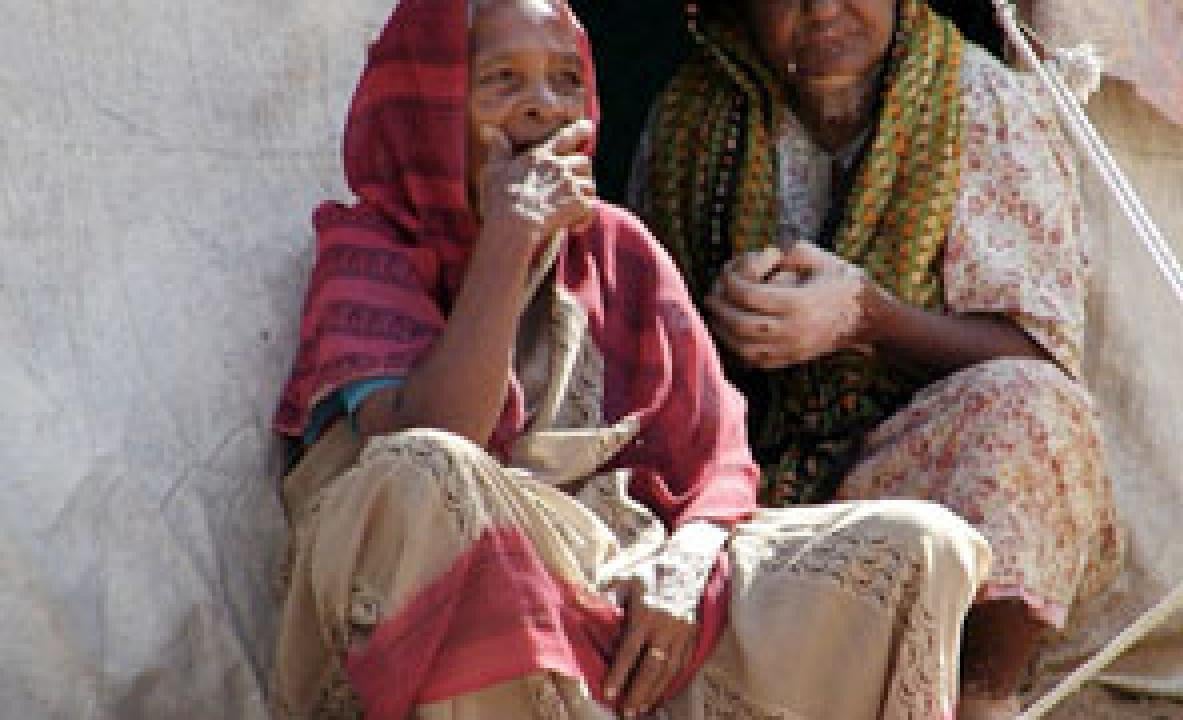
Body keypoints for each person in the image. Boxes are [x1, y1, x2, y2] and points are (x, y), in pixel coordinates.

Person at [269, 1, 990, 719]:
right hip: (476, 583)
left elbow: (716, 460)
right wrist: (507, 244)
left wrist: (684, 566)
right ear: (432, 108)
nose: (543, 107)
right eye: (502, 80)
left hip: (623, 580)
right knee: (424, 468)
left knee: (923, 546)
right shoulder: (372, 252)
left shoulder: (618, 249)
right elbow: (432, 439)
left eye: (565, 80)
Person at [628, 1, 1124, 718]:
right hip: (744, 484)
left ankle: (981, 698)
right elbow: (639, 344)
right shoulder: (692, 119)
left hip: (911, 469)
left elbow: (1037, 352)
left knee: (1034, 409)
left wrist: (866, 318)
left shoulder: (981, 105)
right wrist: (723, 323)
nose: (824, 10)